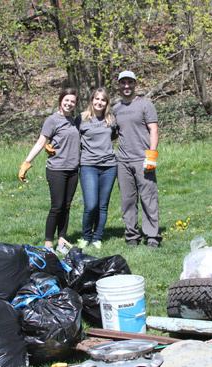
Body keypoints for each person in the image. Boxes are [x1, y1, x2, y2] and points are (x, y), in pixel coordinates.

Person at [19, 88, 80, 254]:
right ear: (60, 100)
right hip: (57, 169)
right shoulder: (52, 120)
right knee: (56, 207)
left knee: (66, 207)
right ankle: (48, 244)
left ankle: (61, 241)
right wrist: (26, 162)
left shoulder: (74, 120)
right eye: (66, 100)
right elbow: (40, 142)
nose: (69, 104)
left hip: (73, 170)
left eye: (72, 101)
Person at [112, 70, 161, 248]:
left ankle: (152, 236)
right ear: (119, 85)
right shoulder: (116, 109)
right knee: (127, 200)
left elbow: (153, 130)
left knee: (148, 198)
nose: (126, 86)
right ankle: (132, 235)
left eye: (129, 82)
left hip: (143, 159)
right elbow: (112, 134)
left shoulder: (145, 105)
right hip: (122, 161)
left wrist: (151, 155)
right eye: (123, 82)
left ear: (135, 84)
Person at [75, 88, 118, 249]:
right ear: (92, 100)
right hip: (88, 165)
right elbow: (71, 137)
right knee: (91, 205)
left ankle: (97, 237)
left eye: (103, 100)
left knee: (102, 205)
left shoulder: (111, 120)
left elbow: (115, 135)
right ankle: (86, 236)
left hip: (109, 166)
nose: (99, 102)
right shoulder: (81, 119)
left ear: (106, 103)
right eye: (97, 99)